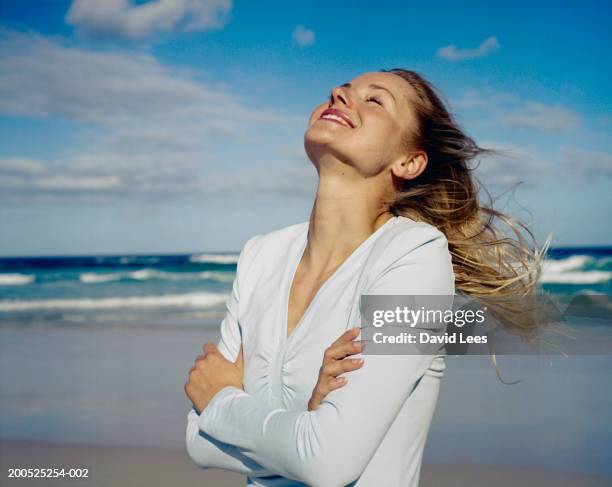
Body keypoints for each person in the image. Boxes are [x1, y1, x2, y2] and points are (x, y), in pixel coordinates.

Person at [184, 69, 546, 486]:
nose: (338, 94)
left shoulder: (416, 257)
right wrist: (304, 422)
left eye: (375, 100)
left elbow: (326, 462)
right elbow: (198, 441)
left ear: (409, 161)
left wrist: (224, 401)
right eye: (341, 90)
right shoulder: (260, 256)